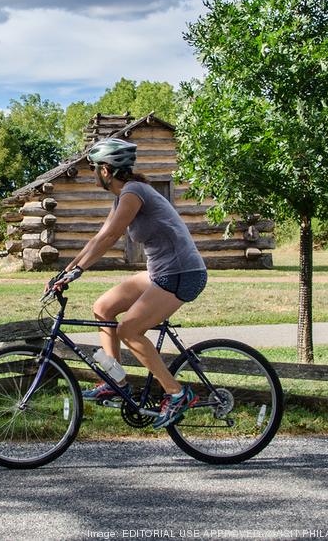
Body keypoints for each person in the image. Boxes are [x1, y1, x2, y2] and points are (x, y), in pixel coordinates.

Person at [48, 138, 208, 429]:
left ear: (106, 170)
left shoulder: (134, 192)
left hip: (181, 272)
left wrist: (79, 271)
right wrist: (66, 271)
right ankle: (115, 381)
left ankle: (177, 393)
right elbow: (99, 236)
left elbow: (111, 237)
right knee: (103, 308)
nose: (93, 173)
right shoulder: (123, 196)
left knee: (129, 330)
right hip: (161, 270)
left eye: (95, 168)